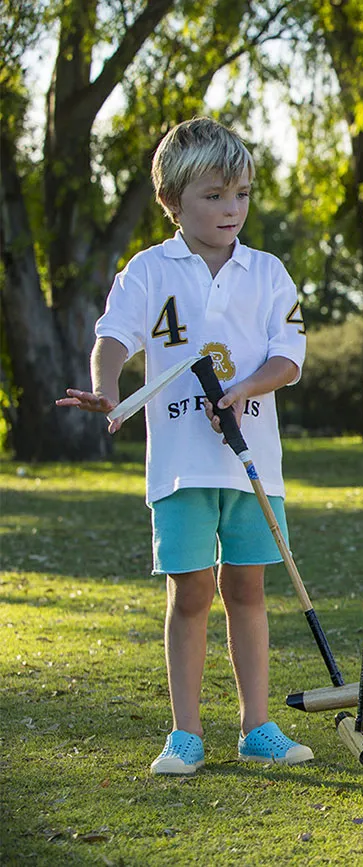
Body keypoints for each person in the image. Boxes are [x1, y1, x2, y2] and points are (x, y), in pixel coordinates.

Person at [57, 117, 312, 775]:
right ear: (172, 201)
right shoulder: (148, 270)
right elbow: (113, 338)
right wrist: (106, 387)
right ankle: (186, 732)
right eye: (214, 195)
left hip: (254, 467)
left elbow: (289, 358)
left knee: (247, 590)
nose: (232, 210)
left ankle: (257, 726)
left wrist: (243, 388)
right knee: (191, 592)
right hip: (178, 469)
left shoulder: (268, 272)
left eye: (242, 195)